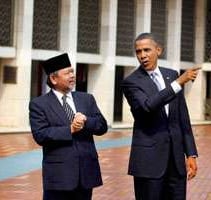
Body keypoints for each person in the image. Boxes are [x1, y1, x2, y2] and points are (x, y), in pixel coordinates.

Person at [121, 32, 199, 200]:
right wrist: (178, 84)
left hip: (176, 163)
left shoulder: (171, 74)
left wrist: (190, 153)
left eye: (147, 50)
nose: (142, 55)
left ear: (158, 50)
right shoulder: (131, 82)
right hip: (149, 163)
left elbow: (182, 118)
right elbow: (147, 107)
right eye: (138, 51)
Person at [29, 53, 108, 200]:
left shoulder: (86, 99)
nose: (72, 75)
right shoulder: (39, 104)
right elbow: (40, 135)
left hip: (86, 174)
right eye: (67, 73)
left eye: (72, 71)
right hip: (59, 175)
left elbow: (102, 126)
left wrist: (86, 121)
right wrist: (70, 129)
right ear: (53, 79)